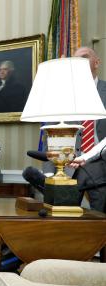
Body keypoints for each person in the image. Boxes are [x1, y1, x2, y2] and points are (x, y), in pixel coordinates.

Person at [24, 47, 106, 212]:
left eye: (84, 57)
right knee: (64, 217)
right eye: (75, 59)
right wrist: (48, 176)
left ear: (97, 62)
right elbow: (52, 138)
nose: (79, 62)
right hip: (70, 168)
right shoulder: (64, 95)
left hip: (101, 167)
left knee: (100, 221)